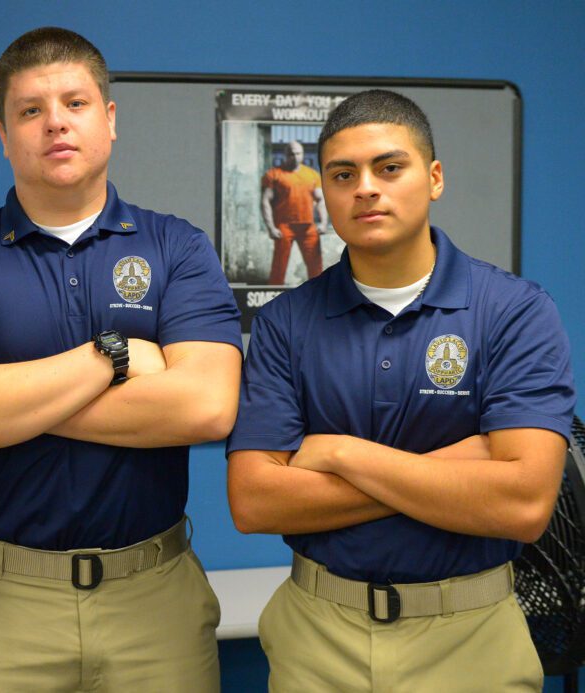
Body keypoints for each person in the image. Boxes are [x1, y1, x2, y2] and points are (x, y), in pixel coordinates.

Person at [0, 26, 242, 692]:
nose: (55, 122)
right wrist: (110, 358)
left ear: (109, 119)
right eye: (31, 110)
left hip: (154, 596)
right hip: (1, 600)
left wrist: (6, 406)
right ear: (4, 135)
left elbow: (206, 406)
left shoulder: (177, 248)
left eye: (75, 104)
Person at [227, 89, 575, 691]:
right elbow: (257, 502)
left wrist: (341, 453)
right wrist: (459, 469)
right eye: (343, 175)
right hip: (319, 634)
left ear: (434, 178)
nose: (365, 188)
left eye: (389, 168)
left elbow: (523, 506)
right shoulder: (286, 321)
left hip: (471, 635)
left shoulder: (514, 311)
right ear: (325, 192)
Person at [261, 139, 328, 284]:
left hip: (308, 227)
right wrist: (271, 228)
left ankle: (319, 294)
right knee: (279, 267)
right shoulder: (274, 174)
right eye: (292, 154)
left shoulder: (312, 175)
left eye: (298, 153)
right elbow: (265, 201)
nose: (295, 157)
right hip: (284, 226)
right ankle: (274, 294)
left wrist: (323, 223)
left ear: (302, 154)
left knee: (316, 267)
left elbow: (320, 199)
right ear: (286, 155)